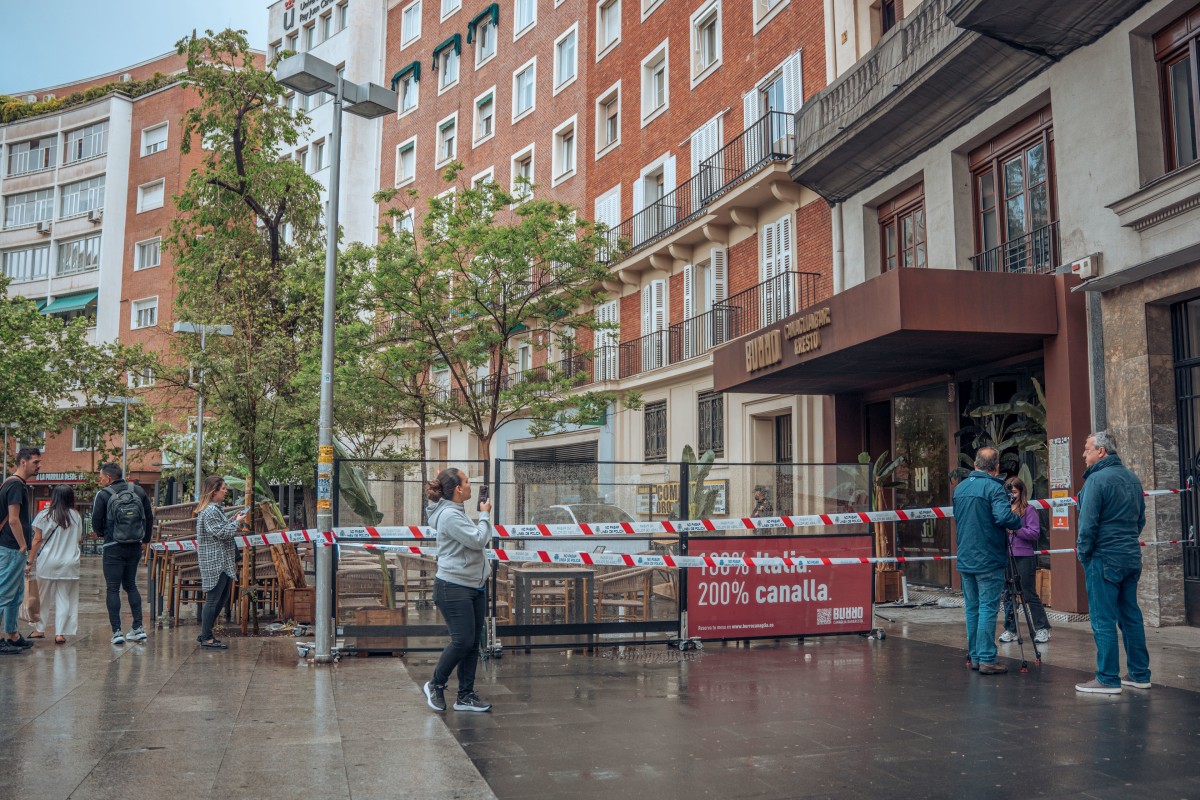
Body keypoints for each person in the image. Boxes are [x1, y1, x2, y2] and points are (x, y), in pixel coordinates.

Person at [1074, 432, 1151, 695]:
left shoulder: (1096, 480)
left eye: (1087, 449)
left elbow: (1087, 524)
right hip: (1130, 555)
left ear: (1101, 451)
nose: (1084, 454)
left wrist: (1084, 553)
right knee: (1130, 616)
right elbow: (1140, 519)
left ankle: (1107, 677)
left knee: (1102, 618)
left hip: (1104, 557)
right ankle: (1139, 673)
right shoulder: (1132, 478)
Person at [423, 468, 493, 714]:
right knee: (462, 641)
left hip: (473, 584)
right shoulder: (450, 515)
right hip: (453, 586)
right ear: (458, 489)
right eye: (467, 481)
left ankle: (465, 696)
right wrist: (484, 515)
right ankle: (435, 684)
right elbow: (478, 540)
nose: (471, 484)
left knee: (472, 643)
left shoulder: (456, 511)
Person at [952, 446, 1022, 675]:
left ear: (975, 464)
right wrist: (1017, 521)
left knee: (972, 608)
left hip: (966, 557)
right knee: (987, 608)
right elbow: (1003, 516)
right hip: (989, 557)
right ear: (997, 467)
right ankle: (987, 658)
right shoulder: (994, 488)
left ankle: (974, 655)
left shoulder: (960, 488)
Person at [92, 463, 154, 645]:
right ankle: (138, 628)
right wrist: (145, 540)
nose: (100, 480)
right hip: (134, 545)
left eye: (101, 477)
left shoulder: (103, 494)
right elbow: (149, 517)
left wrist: (103, 533)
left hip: (113, 546)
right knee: (131, 585)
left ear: (108, 478)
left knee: (113, 588)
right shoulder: (138, 491)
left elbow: (96, 521)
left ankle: (117, 631)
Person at [193, 476, 247, 650]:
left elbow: (220, 529)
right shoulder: (210, 511)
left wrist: (233, 520)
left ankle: (206, 632)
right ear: (213, 491)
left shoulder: (214, 510)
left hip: (222, 560)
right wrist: (236, 523)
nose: (225, 491)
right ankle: (207, 637)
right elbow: (222, 533)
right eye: (223, 488)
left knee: (222, 598)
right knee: (213, 599)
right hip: (215, 561)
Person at [998, 476, 1051, 644]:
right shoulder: (1003, 510)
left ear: (1021, 492)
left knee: (1028, 593)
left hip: (1024, 556)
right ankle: (1011, 629)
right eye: (1009, 492)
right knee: (1008, 594)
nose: (1011, 496)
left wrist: (1016, 530)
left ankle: (1042, 627)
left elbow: (1035, 533)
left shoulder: (1029, 510)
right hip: (1006, 555)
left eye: (1014, 492)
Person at [27, 485, 83, 644]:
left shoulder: (44, 515)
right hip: (69, 563)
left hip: (47, 561)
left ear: (54, 497)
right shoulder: (76, 516)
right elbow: (79, 539)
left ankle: (39, 629)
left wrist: (30, 561)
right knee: (64, 598)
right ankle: (60, 633)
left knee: (42, 597)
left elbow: (37, 540)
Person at [0, 448, 41, 655]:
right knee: (4, 593)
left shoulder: (13, 483)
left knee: (15, 595)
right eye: (35, 462)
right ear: (23, 462)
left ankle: (13, 634)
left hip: (11, 547)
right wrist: (23, 545)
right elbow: (13, 519)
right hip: (11, 547)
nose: (39, 466)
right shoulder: (15, 485)